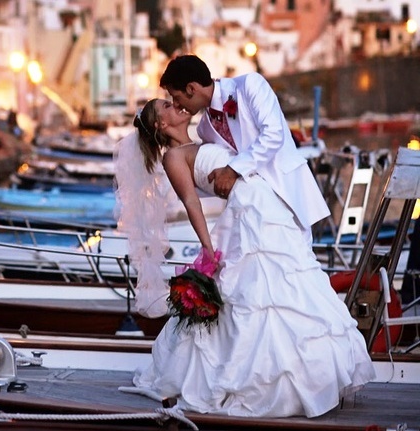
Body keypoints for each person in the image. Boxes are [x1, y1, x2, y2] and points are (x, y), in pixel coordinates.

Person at [114, 98, 375, 418]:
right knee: (257, 298)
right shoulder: (174, 157)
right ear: (160, 125)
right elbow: (191, 203)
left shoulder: (205, 139)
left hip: (259, 209)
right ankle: (266, 381)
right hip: (245, 218)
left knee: (285, 287)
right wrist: (208, 249)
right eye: (167, 106)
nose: (177, 105)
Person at [159, 54, 330, 245]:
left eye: (176, 97)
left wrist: (233, 170)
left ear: (191, 88)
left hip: (287, 191)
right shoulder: (204, 128)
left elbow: (273, 134)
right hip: (255, 207)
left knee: (297, 259)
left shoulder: (250, 85)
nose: (176, 104)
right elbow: (218, 169)